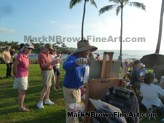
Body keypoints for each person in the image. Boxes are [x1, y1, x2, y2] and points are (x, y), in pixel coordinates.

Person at [63, 40, 97, 123]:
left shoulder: (84, 59)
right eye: (87, 50)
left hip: (77, 88)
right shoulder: (73, 58)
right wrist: (76, 63)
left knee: (76, 110)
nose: (89, 52)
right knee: (73, 114)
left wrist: (93, 61)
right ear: (82, 50)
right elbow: (65, 66)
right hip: (71, 89)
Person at [37, 43, 60, 109]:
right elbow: (43, 65)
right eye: (49, 49)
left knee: (49, 86)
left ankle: (47, 99)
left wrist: (55, 62)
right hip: (45, 72)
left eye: (51, 50)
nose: (50, 51)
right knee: (45, 87)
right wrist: (52, 63)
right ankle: (40, 102)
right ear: (46, 48)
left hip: (51, 70)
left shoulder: (49, 55)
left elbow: (50, 64)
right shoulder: (41, 55)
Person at [13, 43, 34, 112]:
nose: (30, 50)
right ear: (24, 48)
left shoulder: (26, 56)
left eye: (31, 49)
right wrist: (15, 75)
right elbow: (15, 66)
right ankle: (21, 107)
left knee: (22, 91)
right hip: (21, 76)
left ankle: (21, 104)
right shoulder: (20, 56)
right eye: (29, 48)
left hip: (25, 75)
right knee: (22, 92)